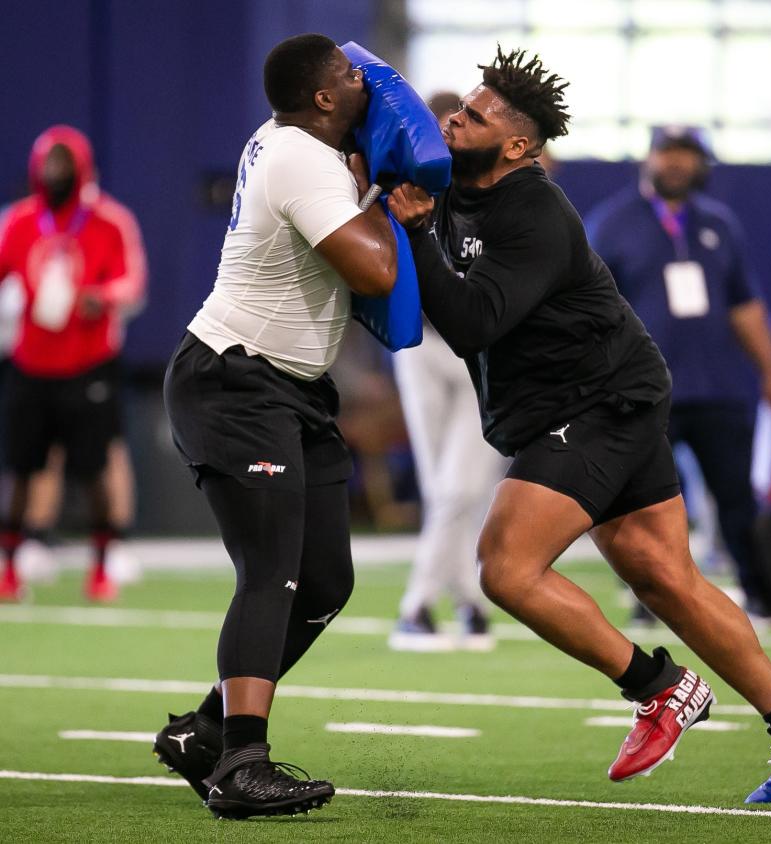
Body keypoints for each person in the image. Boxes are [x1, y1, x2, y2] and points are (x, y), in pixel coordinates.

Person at [386, 46, 771, 803]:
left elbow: (473, 321)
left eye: (475, 115)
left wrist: (412, 231)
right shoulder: (453, 187)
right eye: (462, 105)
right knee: (664, 574)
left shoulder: (534, 207)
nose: (454, 117)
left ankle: (657, 687)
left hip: (593, 404)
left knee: (506, 568)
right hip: (607, 395)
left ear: (517, 145)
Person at [155, 33, 398, 819]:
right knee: (273, 572)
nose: (366, 83)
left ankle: (207, 731)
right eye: (350, 76)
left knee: (326, 581)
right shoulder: (299, 155)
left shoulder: (293, 140)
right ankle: (241, 766)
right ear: (323, 99)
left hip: (287, 387)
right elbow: (375, 271)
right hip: (236, 379)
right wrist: (394, 203)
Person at [585, 126, 771, 622]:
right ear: (648, 159)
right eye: (667, 153)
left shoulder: (719, 224)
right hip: (643, 392)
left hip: (716, 387)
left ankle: (758, 588)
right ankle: (648, 593)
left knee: (736, 495)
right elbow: (588, 312)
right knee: (644, 503)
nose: (676, 163)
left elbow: (745, 306)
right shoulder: (611, 225)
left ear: (700, 163)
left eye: (686, 154)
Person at [0, 125, 146, 603]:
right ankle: (11, 563)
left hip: (89, 363)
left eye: (64, 163)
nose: (55, 172)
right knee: (22, 468)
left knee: (96, 468)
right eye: (49, 163)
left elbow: (132, 284)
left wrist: (98, 298)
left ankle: (104, 561)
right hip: (31, 362)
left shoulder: (109, 221)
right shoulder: (20, 221)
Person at [390, 90, 507, 652]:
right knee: (444, 487)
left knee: (461, 487)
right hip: (422, 346)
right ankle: (469, 601)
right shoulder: (408, 180)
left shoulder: (502, 185)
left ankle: (416, 605)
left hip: (483, 352)